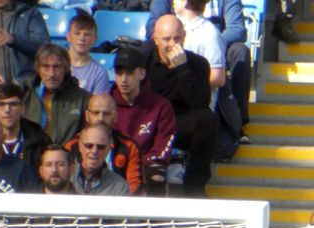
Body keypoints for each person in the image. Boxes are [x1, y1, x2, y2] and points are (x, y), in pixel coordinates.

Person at [145, 15, 216, 196]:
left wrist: (182, 69)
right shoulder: (143, 61)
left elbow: (200, 103)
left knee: (207, 119)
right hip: (150, 123)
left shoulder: (198, 64)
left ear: (184, 37)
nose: (172, 44)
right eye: (166, 39)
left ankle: (195, 186)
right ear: (155, 39)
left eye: (177, 38)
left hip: (180, 123)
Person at [111, 47, 174, 193]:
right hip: (112, 163)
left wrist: (135, 165)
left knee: (156, 173)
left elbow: (162, 148)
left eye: (129, 73)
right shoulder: (106, 104)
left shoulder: (161, 106)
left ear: (142, 74)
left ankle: (153, 217)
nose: (123, 79)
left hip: (144, 165)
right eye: (119, 73)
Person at [20, 43, 88, 146]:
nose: (51, 74)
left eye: (57, 67)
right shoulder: (24, 95)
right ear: (38, 69)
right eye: (46, 67)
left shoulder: (82, 98)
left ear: (66, 68)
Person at [70, 123, 130, 196]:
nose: (94, 151)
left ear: (109, 148)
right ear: (79, 146)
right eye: (89, 146)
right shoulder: (64, 178)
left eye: (101, 147)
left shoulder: (120, 187)